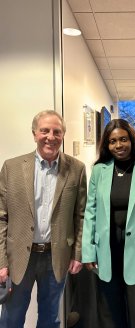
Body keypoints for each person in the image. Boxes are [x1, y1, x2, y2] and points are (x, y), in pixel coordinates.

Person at [0, 110, 87, 327]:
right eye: (44, 131)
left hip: (56, 257)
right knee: (11, 317)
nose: (50, 136)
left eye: (57, 131)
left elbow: (82, 215)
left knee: (50, 318)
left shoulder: (76, 169)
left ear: (63, 135)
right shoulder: (12, 168)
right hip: (18, 257)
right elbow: (1, 217)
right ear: (34, 134)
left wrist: (78, 253)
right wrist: (1, 261)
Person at [82, 119, 135, 328]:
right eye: (112, 141)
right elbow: (90, 213)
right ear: (106, 145)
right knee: (109, 313)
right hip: (106, 252)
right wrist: (88, 252)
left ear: (132, 140)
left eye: (123, 139)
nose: (118, 145)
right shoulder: (99, 171)